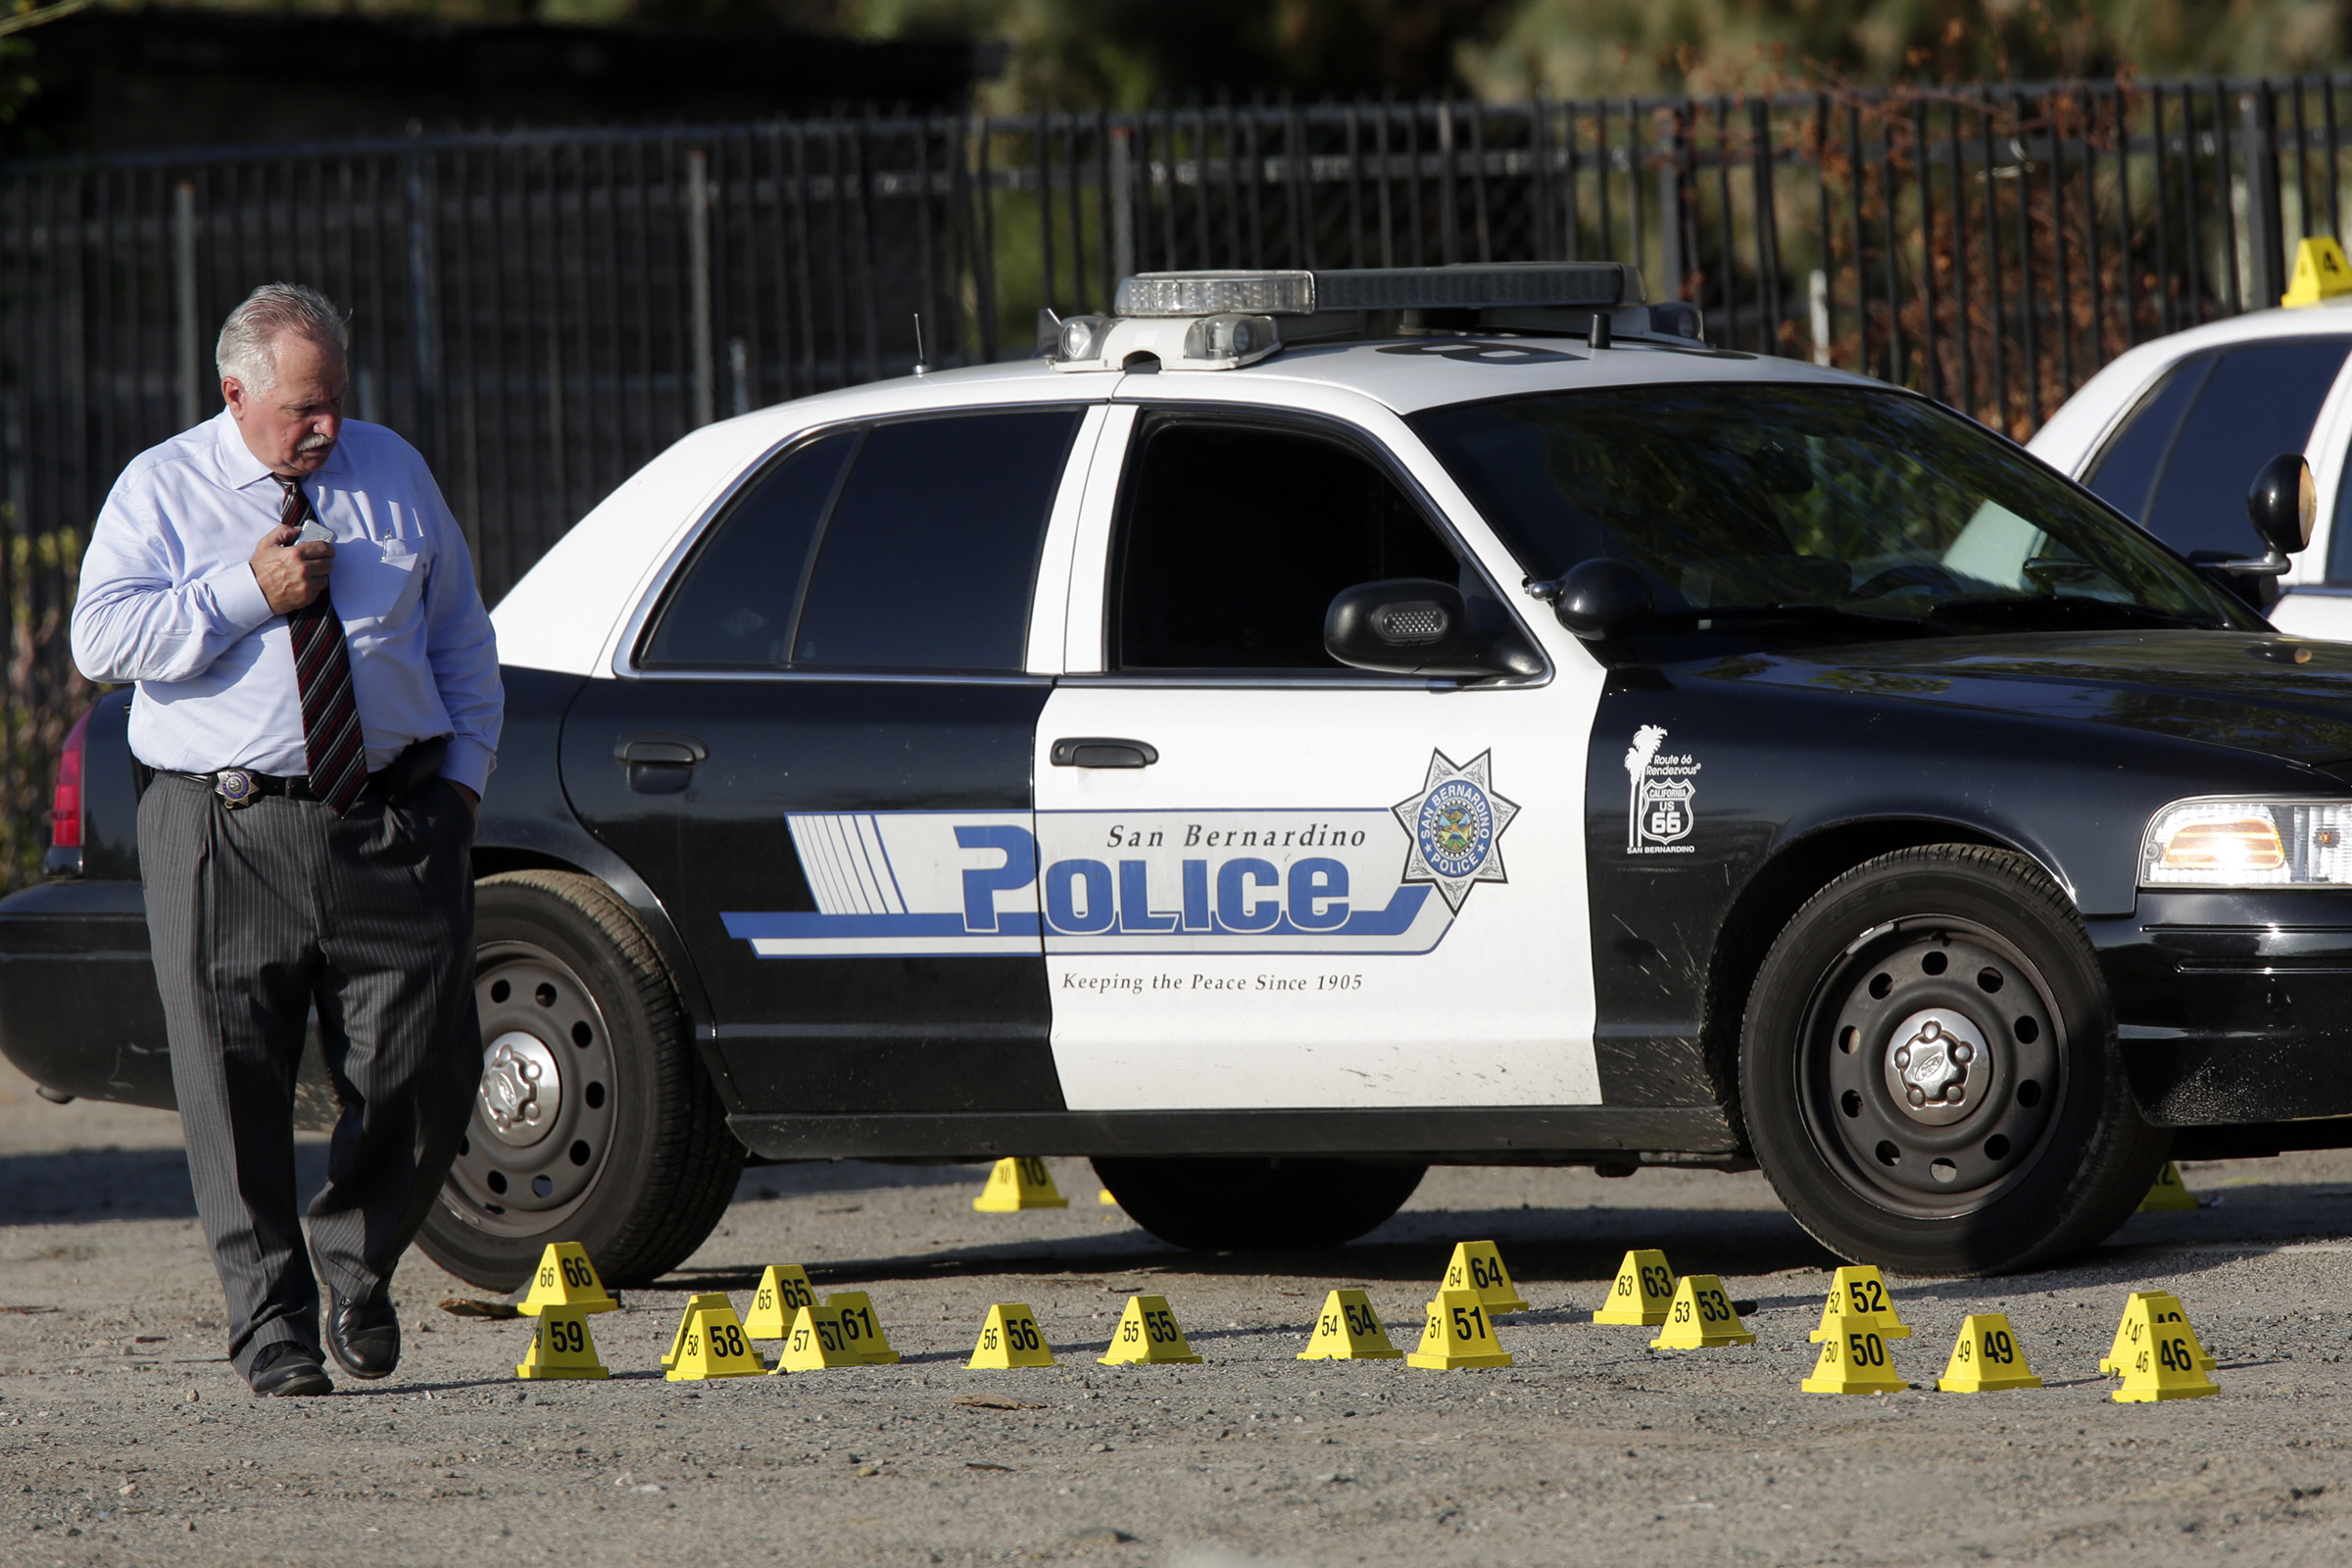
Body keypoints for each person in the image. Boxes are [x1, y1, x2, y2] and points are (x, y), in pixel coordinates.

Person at [71, 283, 502, 1396]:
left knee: (430, 1064)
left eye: (338, 403)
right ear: (236, 393)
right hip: (222, 823)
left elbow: (461, 634)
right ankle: (270, 1325)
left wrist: (459, 790)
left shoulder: (393, 473)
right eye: (305, 407)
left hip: (392, 817)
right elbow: (100, 636)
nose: (328, 427)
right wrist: (241, 591)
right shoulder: (162, 488)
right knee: (229, 1081)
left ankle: (357, 1265)